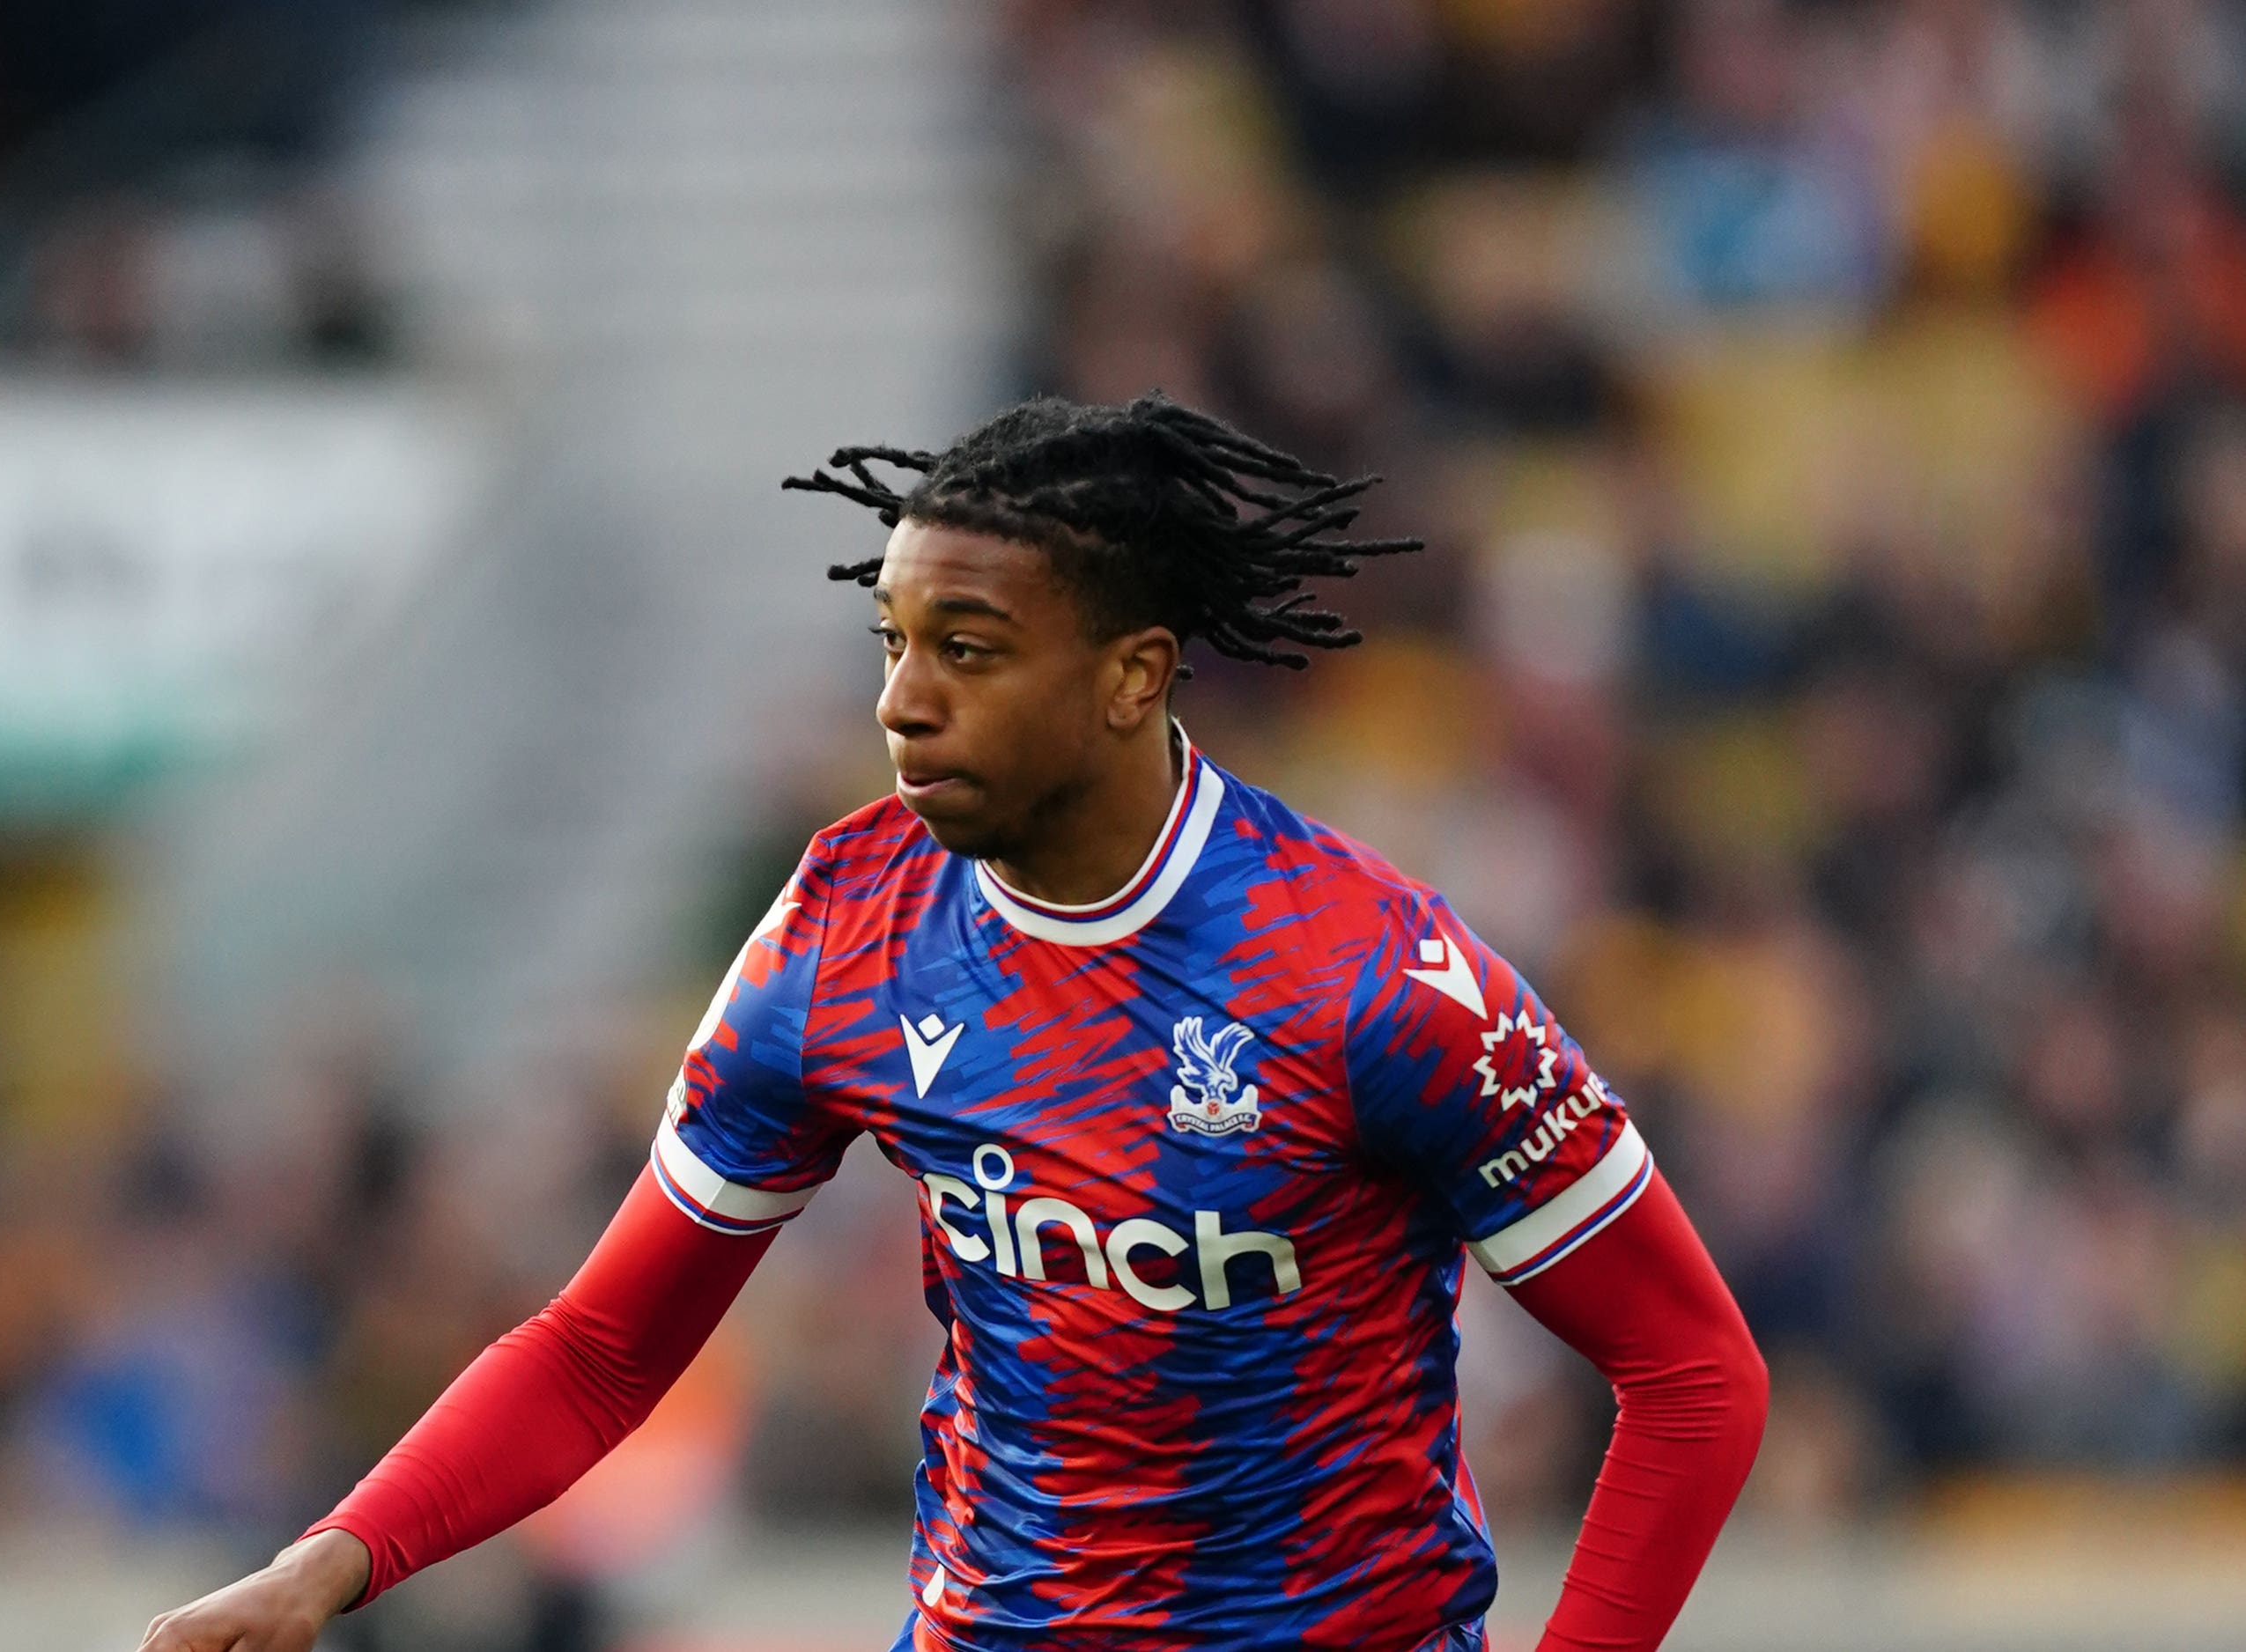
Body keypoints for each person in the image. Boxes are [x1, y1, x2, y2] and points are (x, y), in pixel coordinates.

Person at [137, 394, 1768, 1652]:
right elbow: (602, 1349)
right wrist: (328, 1564)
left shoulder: (1375, 979)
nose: (901, 701)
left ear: (1132, 675)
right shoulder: (846, 930)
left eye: (968, 651)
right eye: (895, 643)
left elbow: (1694, 1374)